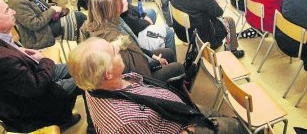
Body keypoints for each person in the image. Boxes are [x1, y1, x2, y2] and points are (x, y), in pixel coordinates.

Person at [68, 37, 242, 134]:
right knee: (235, 127)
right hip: (181, 126)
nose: (118, 50)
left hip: (177, 111)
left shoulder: (93, 86)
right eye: (114, 53)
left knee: (219, 115)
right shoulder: (124, 124)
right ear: (108, 73)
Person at [0, 0, 81, 132]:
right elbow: (36, 88)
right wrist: (44, 60)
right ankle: (81, 124)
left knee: (84, 67)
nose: (13, 12)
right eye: (7, 10)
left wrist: (20, 53)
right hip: (27, 108)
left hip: (29, 79)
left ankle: (64, 118)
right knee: (92, 78)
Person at [83, 0, 184, 81]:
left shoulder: (115, 21)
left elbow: (135, 48)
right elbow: (134, 71)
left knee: (168, 53)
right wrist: (154, 64)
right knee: (178, 67)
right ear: (112, 6)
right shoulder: (113, 40)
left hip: (138, 63)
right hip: (139, 80)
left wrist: (153, 57)